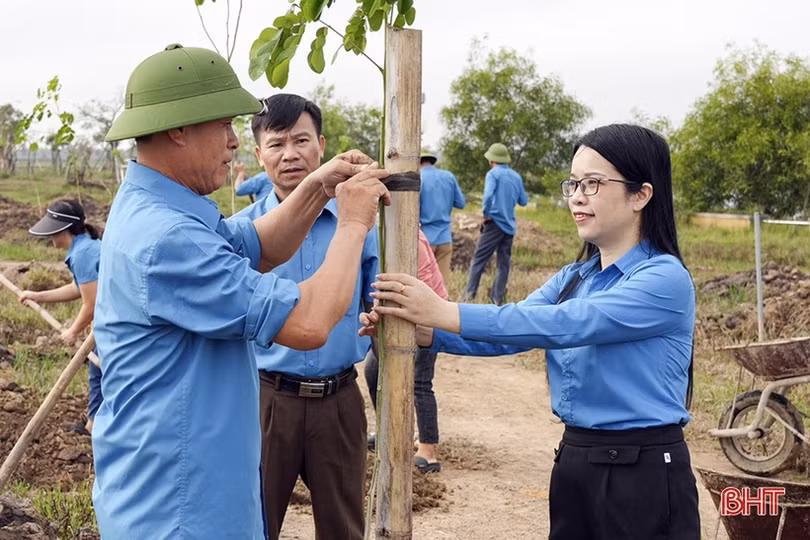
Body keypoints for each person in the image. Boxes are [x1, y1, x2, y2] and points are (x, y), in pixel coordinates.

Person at [94, 44, 390, 540]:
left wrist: (316, 187)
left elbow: (255, 244)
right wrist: (355, 219)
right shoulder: (168, 238)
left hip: (187, 487)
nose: (234, 142)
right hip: (180, 508)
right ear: (179, 129)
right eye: (225, 126)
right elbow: (311, 321)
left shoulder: (165, 207)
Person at [362, 125, 700, 540]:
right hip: (576, 459)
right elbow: (511, 328)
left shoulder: (663, 279)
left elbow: (564, 324)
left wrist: (443, 310)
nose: (576, 195)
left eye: (593, 183)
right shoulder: (575, 276)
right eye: (573, 183)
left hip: (643, 470)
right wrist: (425, 334)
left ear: (641, 194)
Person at [231, 93, 378, 540]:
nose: (290, 154)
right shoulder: (242, 235)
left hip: (339, 398)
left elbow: (376, 294)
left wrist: (376, 316)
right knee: (254, 523)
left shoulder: (362, 224)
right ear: (259, 155)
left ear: (322, 146)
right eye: (276, 144)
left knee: (344, 527)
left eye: (301, 140)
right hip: (266, 400)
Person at [364, 227, 447, 473]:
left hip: (429, 319)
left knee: (419, 381)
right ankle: (389, 431)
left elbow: (422, 288)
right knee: (373, 368)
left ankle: (428, 450)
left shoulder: (409, 237)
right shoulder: (382, 234)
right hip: (397, 316)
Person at [21, 199, 103, 435]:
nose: (49, 238)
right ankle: (92, 426)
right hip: (106, 324)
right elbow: (78, 288)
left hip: (116, 324)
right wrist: (38, 295)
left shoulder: (84, 254)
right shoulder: (84, 247)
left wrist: (74, 330)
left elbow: (91, 303)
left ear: (62, 230)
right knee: (98, 372)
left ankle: (102, 427)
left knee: (106, 373)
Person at [463, 142, 528, 305]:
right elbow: (524, 201)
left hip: (494, 223)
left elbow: (487, 196)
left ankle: (469, 297)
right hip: (509, 227)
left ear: (491, 160)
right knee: (503, 264)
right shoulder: (516, 176)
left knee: (478, 260)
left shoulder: (493, 174)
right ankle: (496, 300)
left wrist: (485, 214)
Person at [419, 149, 465, 289]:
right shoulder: (449, 176)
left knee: (424, 286)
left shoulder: (418, 177)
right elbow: (461, 203)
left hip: (425, 241)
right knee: (441, 287)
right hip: (445, 239)